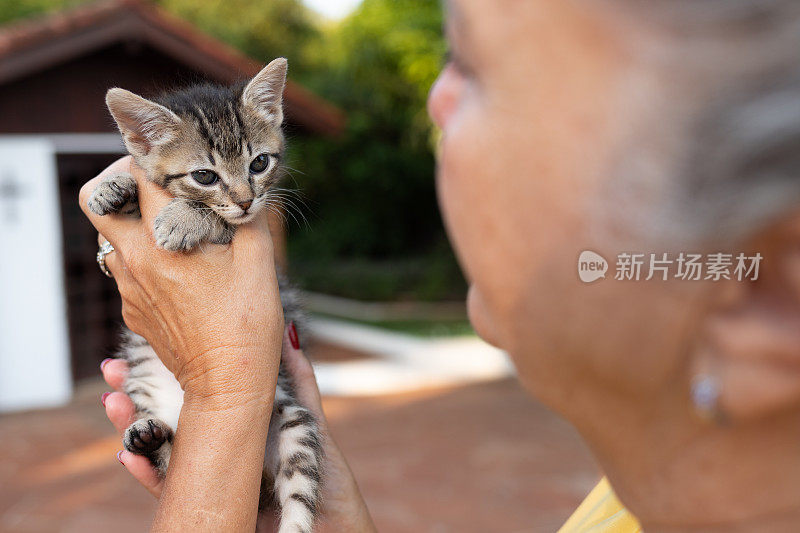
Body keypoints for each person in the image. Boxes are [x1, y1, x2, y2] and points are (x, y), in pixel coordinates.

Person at [81, 0, 800, 531]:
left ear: (765, 291)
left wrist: (226, 397)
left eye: (476, 67)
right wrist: (276, 488)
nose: (436, 97)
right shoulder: (629, 507)